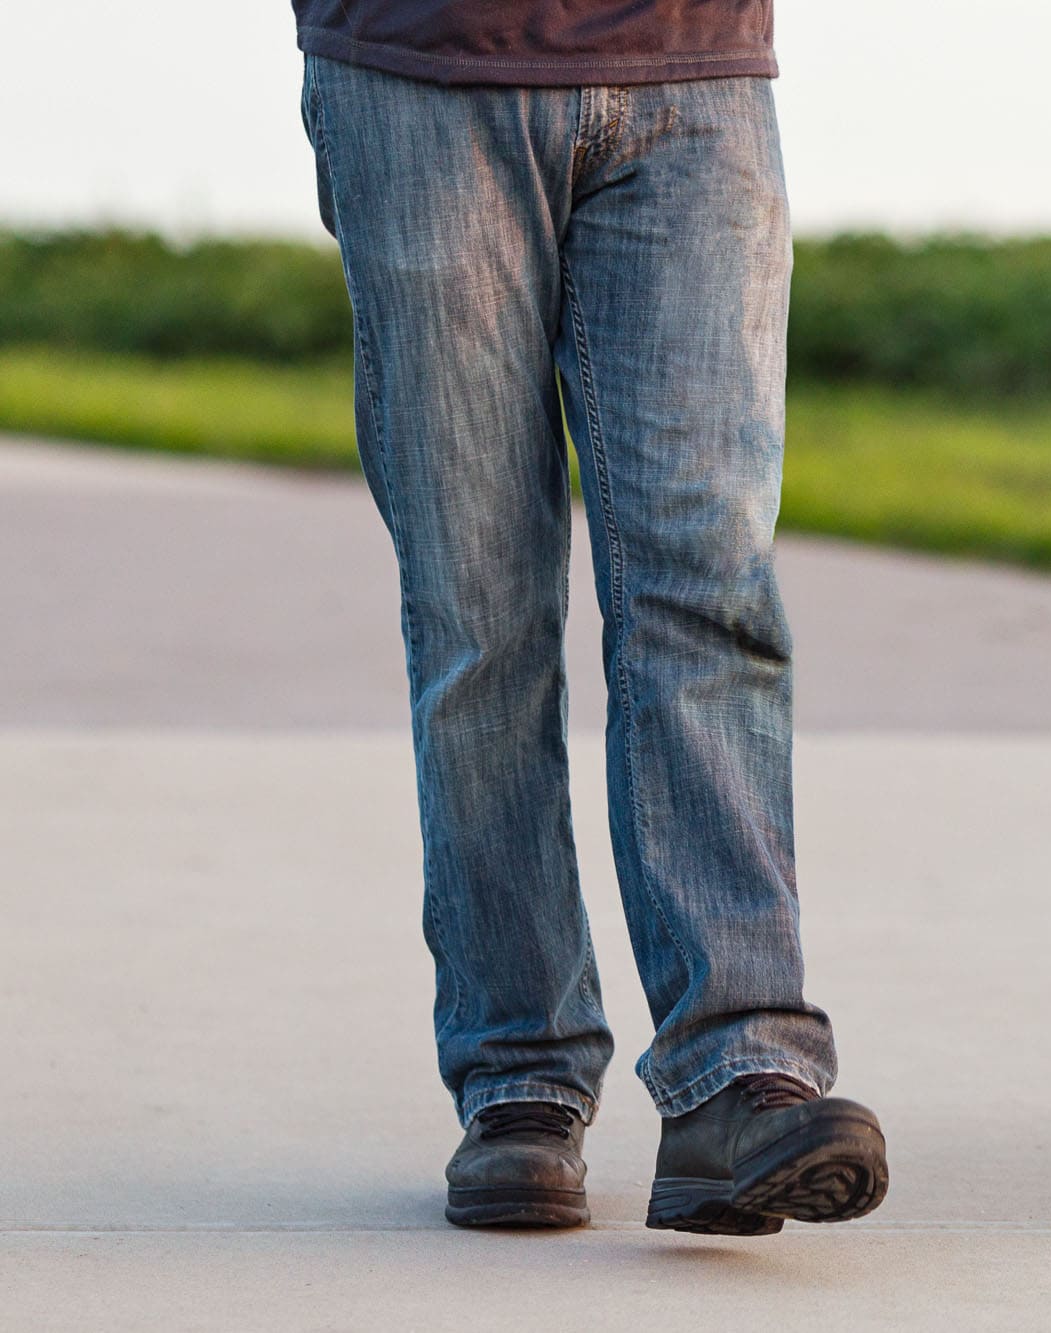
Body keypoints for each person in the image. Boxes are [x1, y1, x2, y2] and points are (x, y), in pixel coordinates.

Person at [291, 0, 886, 1234]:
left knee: (706, 588)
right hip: (418, 70)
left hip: (693, 70)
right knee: (478, 612)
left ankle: (737, 1072)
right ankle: (518, 1077)